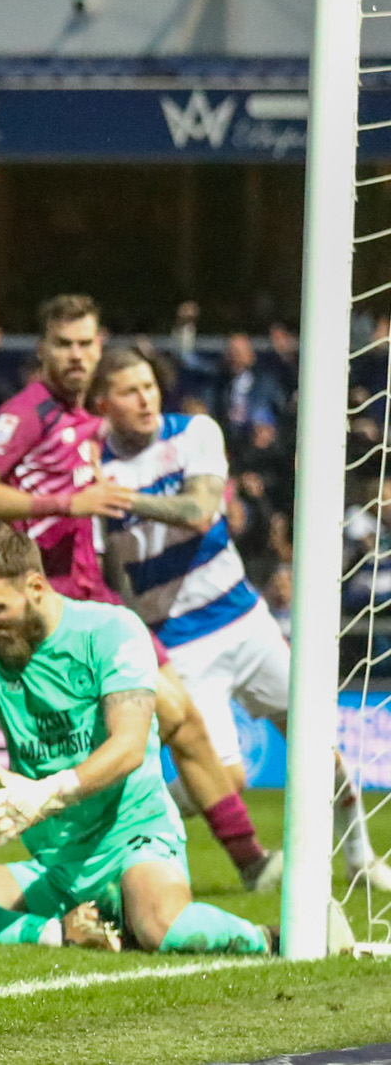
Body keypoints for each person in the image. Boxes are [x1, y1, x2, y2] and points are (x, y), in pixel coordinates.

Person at [0, 294, 274, 890]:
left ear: (99, 345)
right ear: (43, 350)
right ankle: (227, 864)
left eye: (86, 343)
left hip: (100, 599)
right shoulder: (28, 413)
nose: (76, 355)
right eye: (63, 345)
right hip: (53, 606)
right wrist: (66, 503)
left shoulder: (93, 423)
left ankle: (252, 862)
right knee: (163, 723)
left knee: (187, 725)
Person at [0, 529, 274, 957]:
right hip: (57, 869)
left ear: (35, 586)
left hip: (136, 842)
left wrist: (46, 795)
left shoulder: (109, 630)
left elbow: (129, 747)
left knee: (161, 928)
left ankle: (272, 937)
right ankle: (63, 932)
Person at [91, 346, 390, 890]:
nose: (146, 399)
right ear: (103, 403)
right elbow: (106, 567)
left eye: (150, 386)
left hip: (247, 622)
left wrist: (120, 499)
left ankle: (360, 860)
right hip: (181, 644)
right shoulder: (93, 469)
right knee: (227, 777)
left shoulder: (193, 433)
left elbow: (200, 509)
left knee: (319, 743)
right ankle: (117, 832)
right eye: (131, 392)